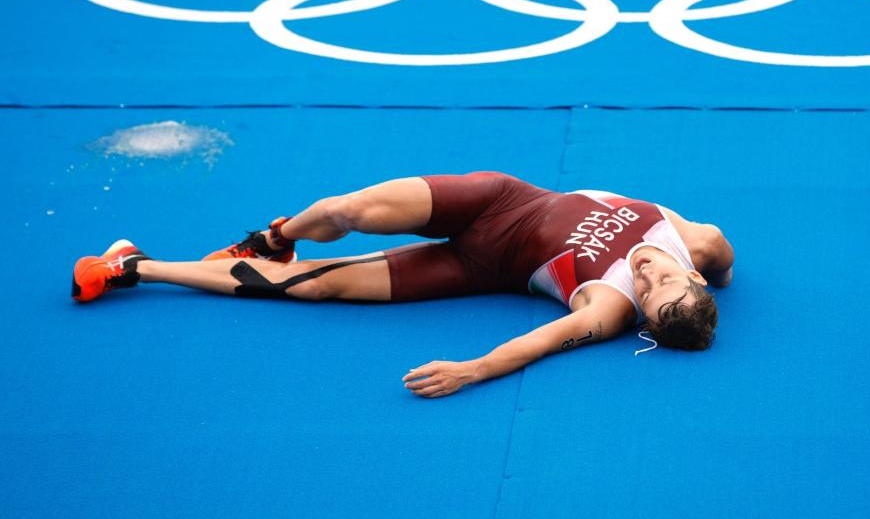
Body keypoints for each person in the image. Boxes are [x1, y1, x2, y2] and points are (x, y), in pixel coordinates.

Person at [72, 171, 734, 398]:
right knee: (349, 211)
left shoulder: (611, 307)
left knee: (311, 289)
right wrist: (708, 293)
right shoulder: (701, 244)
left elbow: (540, 340)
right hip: (499, 201)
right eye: (666, 279)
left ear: (642, 317)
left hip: (479, 268)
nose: (649, 275)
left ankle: (134, 265)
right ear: (695, 275)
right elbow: (726, 272)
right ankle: (272, 236)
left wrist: (471, 371)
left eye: (651, 299)